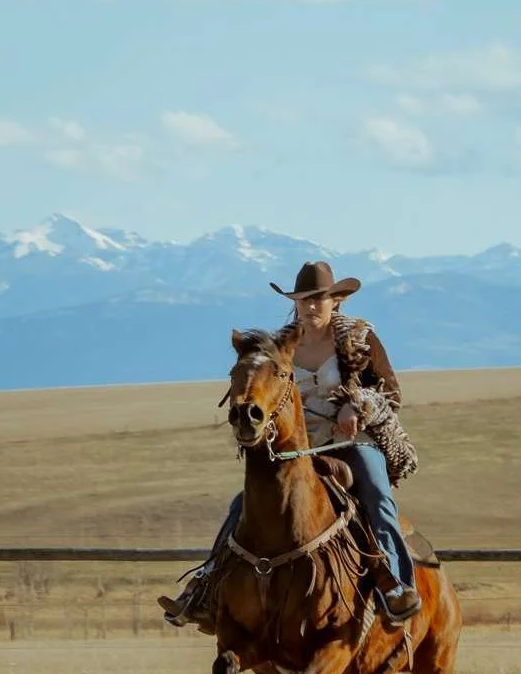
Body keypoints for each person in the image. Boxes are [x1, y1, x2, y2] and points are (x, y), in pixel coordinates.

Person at [158, 259, 421, 626]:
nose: (311, 306)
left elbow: (391, 393)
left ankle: (395, 586)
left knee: (377, 497)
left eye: (318, 298)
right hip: (297, 446)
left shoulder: (360, 340)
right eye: (303, 300)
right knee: (244, 504)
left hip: (352, 441)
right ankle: (205, 589)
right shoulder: (280, 347)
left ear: (336, 301)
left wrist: (356, 404)